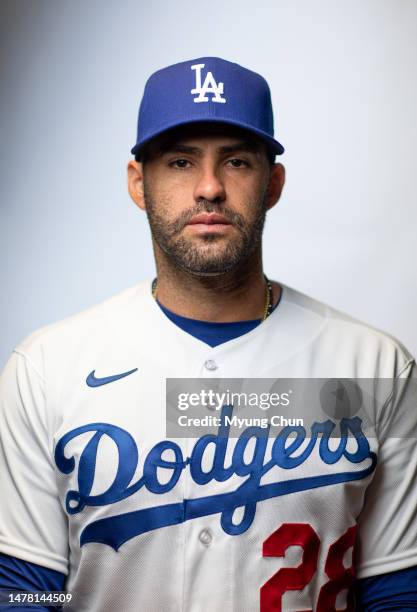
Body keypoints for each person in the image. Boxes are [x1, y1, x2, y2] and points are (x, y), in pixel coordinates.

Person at [1, 56, 417, 611]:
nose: (209, 188)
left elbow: (393, 589)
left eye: (237, 162)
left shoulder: (372, 368)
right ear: (138, 183)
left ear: (272, 183)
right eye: (179, 161)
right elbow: (24, 589)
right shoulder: (48, 368)